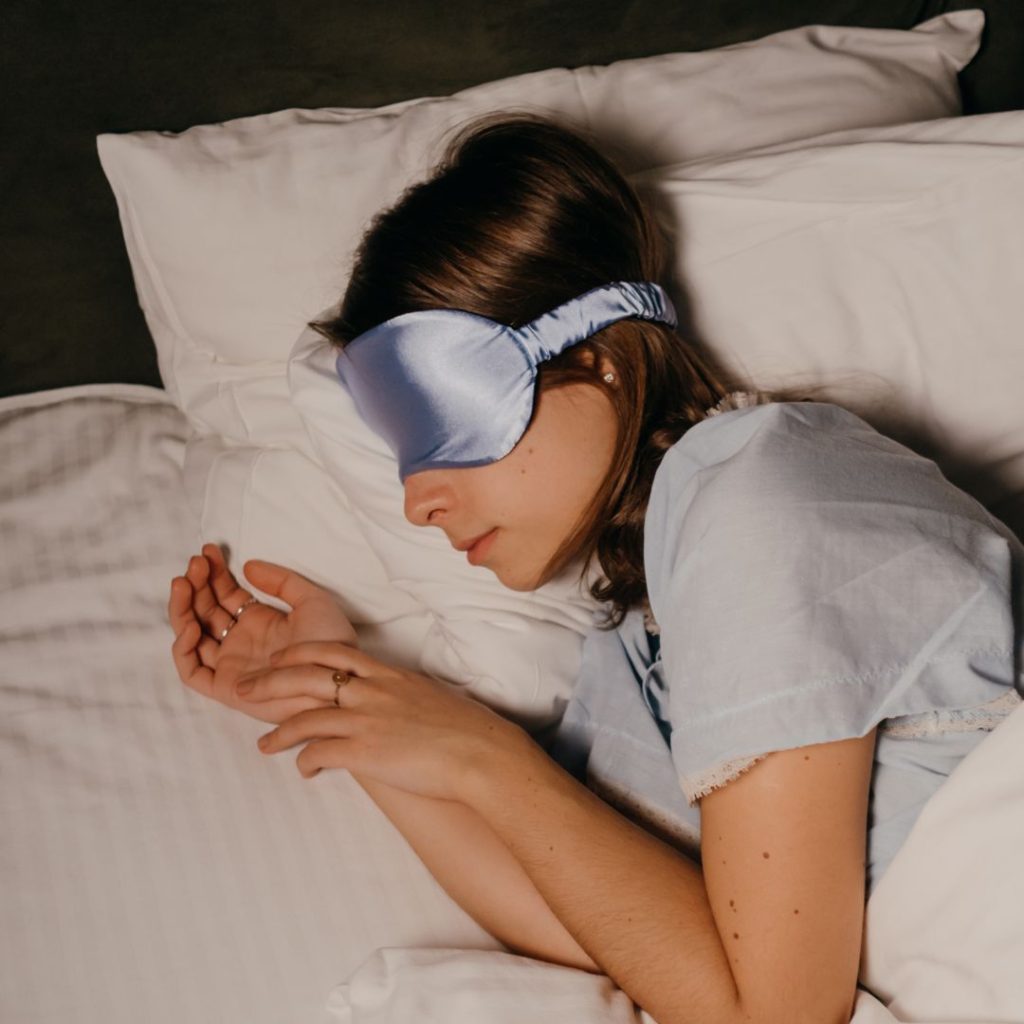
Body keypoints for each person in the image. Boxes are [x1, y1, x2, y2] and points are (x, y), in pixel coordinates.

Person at [167, 113, 1023, 1024]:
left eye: (436, 428)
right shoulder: (636, 630)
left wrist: (490, 757)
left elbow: (775, 1016)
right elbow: (626, 930)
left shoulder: (759, 503)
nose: (418, 500)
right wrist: (332, 699)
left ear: (600, 358)